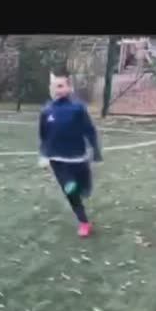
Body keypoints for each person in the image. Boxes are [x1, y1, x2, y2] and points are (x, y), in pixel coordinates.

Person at [38, 71, 103, 237]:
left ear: (69, 88)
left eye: (61, 86)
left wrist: (95, 151)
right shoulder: (47, 110)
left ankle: (83, 187)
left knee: (83, 188)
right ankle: (84, 222)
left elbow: (89, 130)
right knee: (70, 189)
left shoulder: (78, 108)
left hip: (78, 157)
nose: (57, 90)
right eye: (54, 87)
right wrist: (44, 155)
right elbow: (43, 134)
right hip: (57, 159)